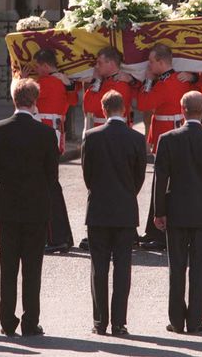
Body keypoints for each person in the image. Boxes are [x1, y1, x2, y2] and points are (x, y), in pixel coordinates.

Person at [0, 78, 59, 337]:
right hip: (35, 206)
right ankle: (30, 322)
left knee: (8, 268)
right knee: (32, 268)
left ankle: (7, 321)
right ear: (35, 101)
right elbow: (52, 174)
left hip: (8, 206)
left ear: (14, 99)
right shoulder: (45, 132)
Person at [154, 91, 202, 333]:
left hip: (176, 211)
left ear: (181, 109)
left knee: (176, 268)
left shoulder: (168, 139)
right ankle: (195, 320)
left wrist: (159, 211)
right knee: (199, 268)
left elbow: (160, 179)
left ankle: (176, 320)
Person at [82, 90, 146, 336]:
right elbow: (138, 177)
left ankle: (100, 322)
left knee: (98, 267)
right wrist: (127, 193)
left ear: (103, 108)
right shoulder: (136, 138)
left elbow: (87, 175)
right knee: (122, 267)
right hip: (125, 208)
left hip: (98, 208)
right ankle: (119, 322)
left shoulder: (91, 136)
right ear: (125, 109)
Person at [137, 43, 193, 250]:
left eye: (151, 62)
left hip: (166, 134)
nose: (149, 65)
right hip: (171, 131)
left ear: (161, 62)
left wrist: (148, 82)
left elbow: (143, 104)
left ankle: (158, 233)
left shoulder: (163, 83)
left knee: (161, 186)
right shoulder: (179, 78)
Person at [80, 46, 135, 251]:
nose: (96, 66)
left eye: (100, 62)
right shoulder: (106, 82)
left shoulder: (119, 84)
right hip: (101, 133)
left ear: (112, 63)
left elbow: (94, 106)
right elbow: (88, 105)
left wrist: (94, 84)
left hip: (111, 136)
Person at [33, 49, 75, 253]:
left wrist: (20, 79)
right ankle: (62, 236)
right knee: (51, 186)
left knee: (48, 188)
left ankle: (56, 236)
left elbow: (22, 97)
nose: (36, 70)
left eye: (38, 66)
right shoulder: (63, 81)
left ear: (45, 65)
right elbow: (73, 100)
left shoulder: (46, 82)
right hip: (55, 135)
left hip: (44, 137)